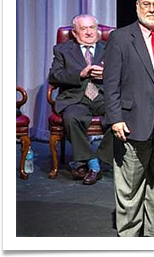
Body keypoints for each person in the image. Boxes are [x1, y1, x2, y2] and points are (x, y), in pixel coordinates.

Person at [103, 0, 154, 237]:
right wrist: (115, 118)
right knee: (130, 185)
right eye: (146, 4)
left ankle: (153, 232)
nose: (151, 9)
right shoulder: (121, 37)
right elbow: (110, 82)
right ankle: (129, 234)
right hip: (132, 121)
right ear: (137, 6)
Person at [48, 14, 107, 185]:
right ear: (74, 33)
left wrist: (107, 73)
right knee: (72, 117)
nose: (89, 32)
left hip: (103, 97)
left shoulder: (110, 47)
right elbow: (54, 76)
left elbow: (125, 73)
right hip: (76, 99)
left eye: (92, 28)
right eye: (83, 29)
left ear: (97, 31)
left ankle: (88, 159)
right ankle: (93, 164)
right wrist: (79, 74)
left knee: (122, 115)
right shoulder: (62, 50)